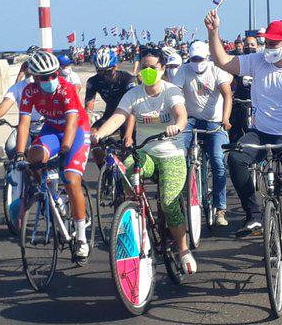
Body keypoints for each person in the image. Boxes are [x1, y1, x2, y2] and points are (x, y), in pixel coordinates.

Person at [205, 11, 282, 283]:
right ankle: (254, 214)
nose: (268, 48)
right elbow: (222, 61)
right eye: (267, 42)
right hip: (261, 133)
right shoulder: (257, 61)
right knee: (235, 159)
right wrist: (213, 33)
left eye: (274, 44)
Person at [91, 47, 196, 274]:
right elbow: (118, 117)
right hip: (145, 153)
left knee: (169, 203)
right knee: (126, 172)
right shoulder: (134, 95)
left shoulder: (172, 91)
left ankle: (183, 249)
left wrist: (177, 126)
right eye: (144, 67)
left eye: (153, 68)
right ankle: (135, 218)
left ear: (163, 69)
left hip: (171, 154)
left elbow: (182, 115)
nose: (148, 72)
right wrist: (99, 133)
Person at [15, 51, 92, 262]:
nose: (50, 80)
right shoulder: (29, 91)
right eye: (44, 77)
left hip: (76, 130)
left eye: (53, 75)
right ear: (34, 77)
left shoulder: (66, 89)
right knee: (33, 157)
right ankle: (54, 197)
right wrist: (20, 154)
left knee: (70, 178)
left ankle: (82, 238)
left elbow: (72, 121)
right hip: (51, 128)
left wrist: (65, 149)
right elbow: (24, 124)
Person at [173, 41, 232, 226]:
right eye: (194, 59)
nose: (197, 62)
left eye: (200, 59)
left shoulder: (216, 70)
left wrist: (226, 119)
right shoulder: (183, 70)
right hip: (191, 120)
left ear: (207, 57)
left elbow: (227, 95)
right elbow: (175, 94)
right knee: (178, 153)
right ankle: (183, 198)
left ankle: (220, 207)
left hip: (215, 122)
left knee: (217, 160)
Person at [85, 48, 137, 154]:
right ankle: (103, 169)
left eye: (108, 72)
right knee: (92, 140)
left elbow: (133, 108)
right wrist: (84, 130)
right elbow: (88, 109)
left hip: (129, 115)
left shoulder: (127, 79)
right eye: (99, 71)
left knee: (128, 147)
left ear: (115, 67)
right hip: (109, 114)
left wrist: (128, 135)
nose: (104, 76)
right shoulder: (93, 81)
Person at [0, 71, 43, 160]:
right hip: (25, 127)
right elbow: (7, 101)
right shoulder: (18, 87)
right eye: (29, 72)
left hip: (44, 127)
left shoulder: (46, 86)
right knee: (10, 147)